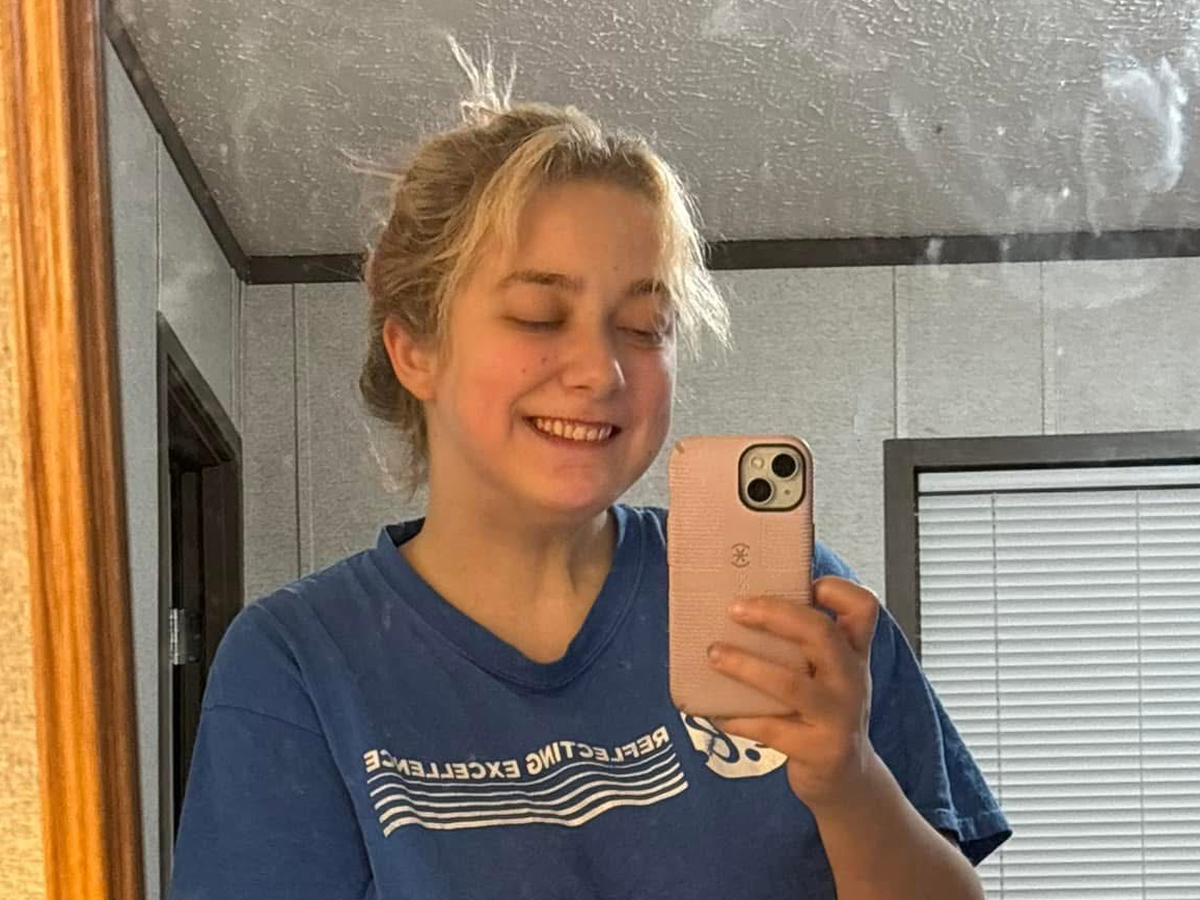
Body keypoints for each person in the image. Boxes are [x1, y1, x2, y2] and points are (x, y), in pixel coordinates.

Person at [168, 39, 1011, 900]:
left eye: (645, 328)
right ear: (415, 349)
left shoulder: (791, 603)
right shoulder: (299, 664)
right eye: (539, 315)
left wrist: (848, 779)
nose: (601, 371)